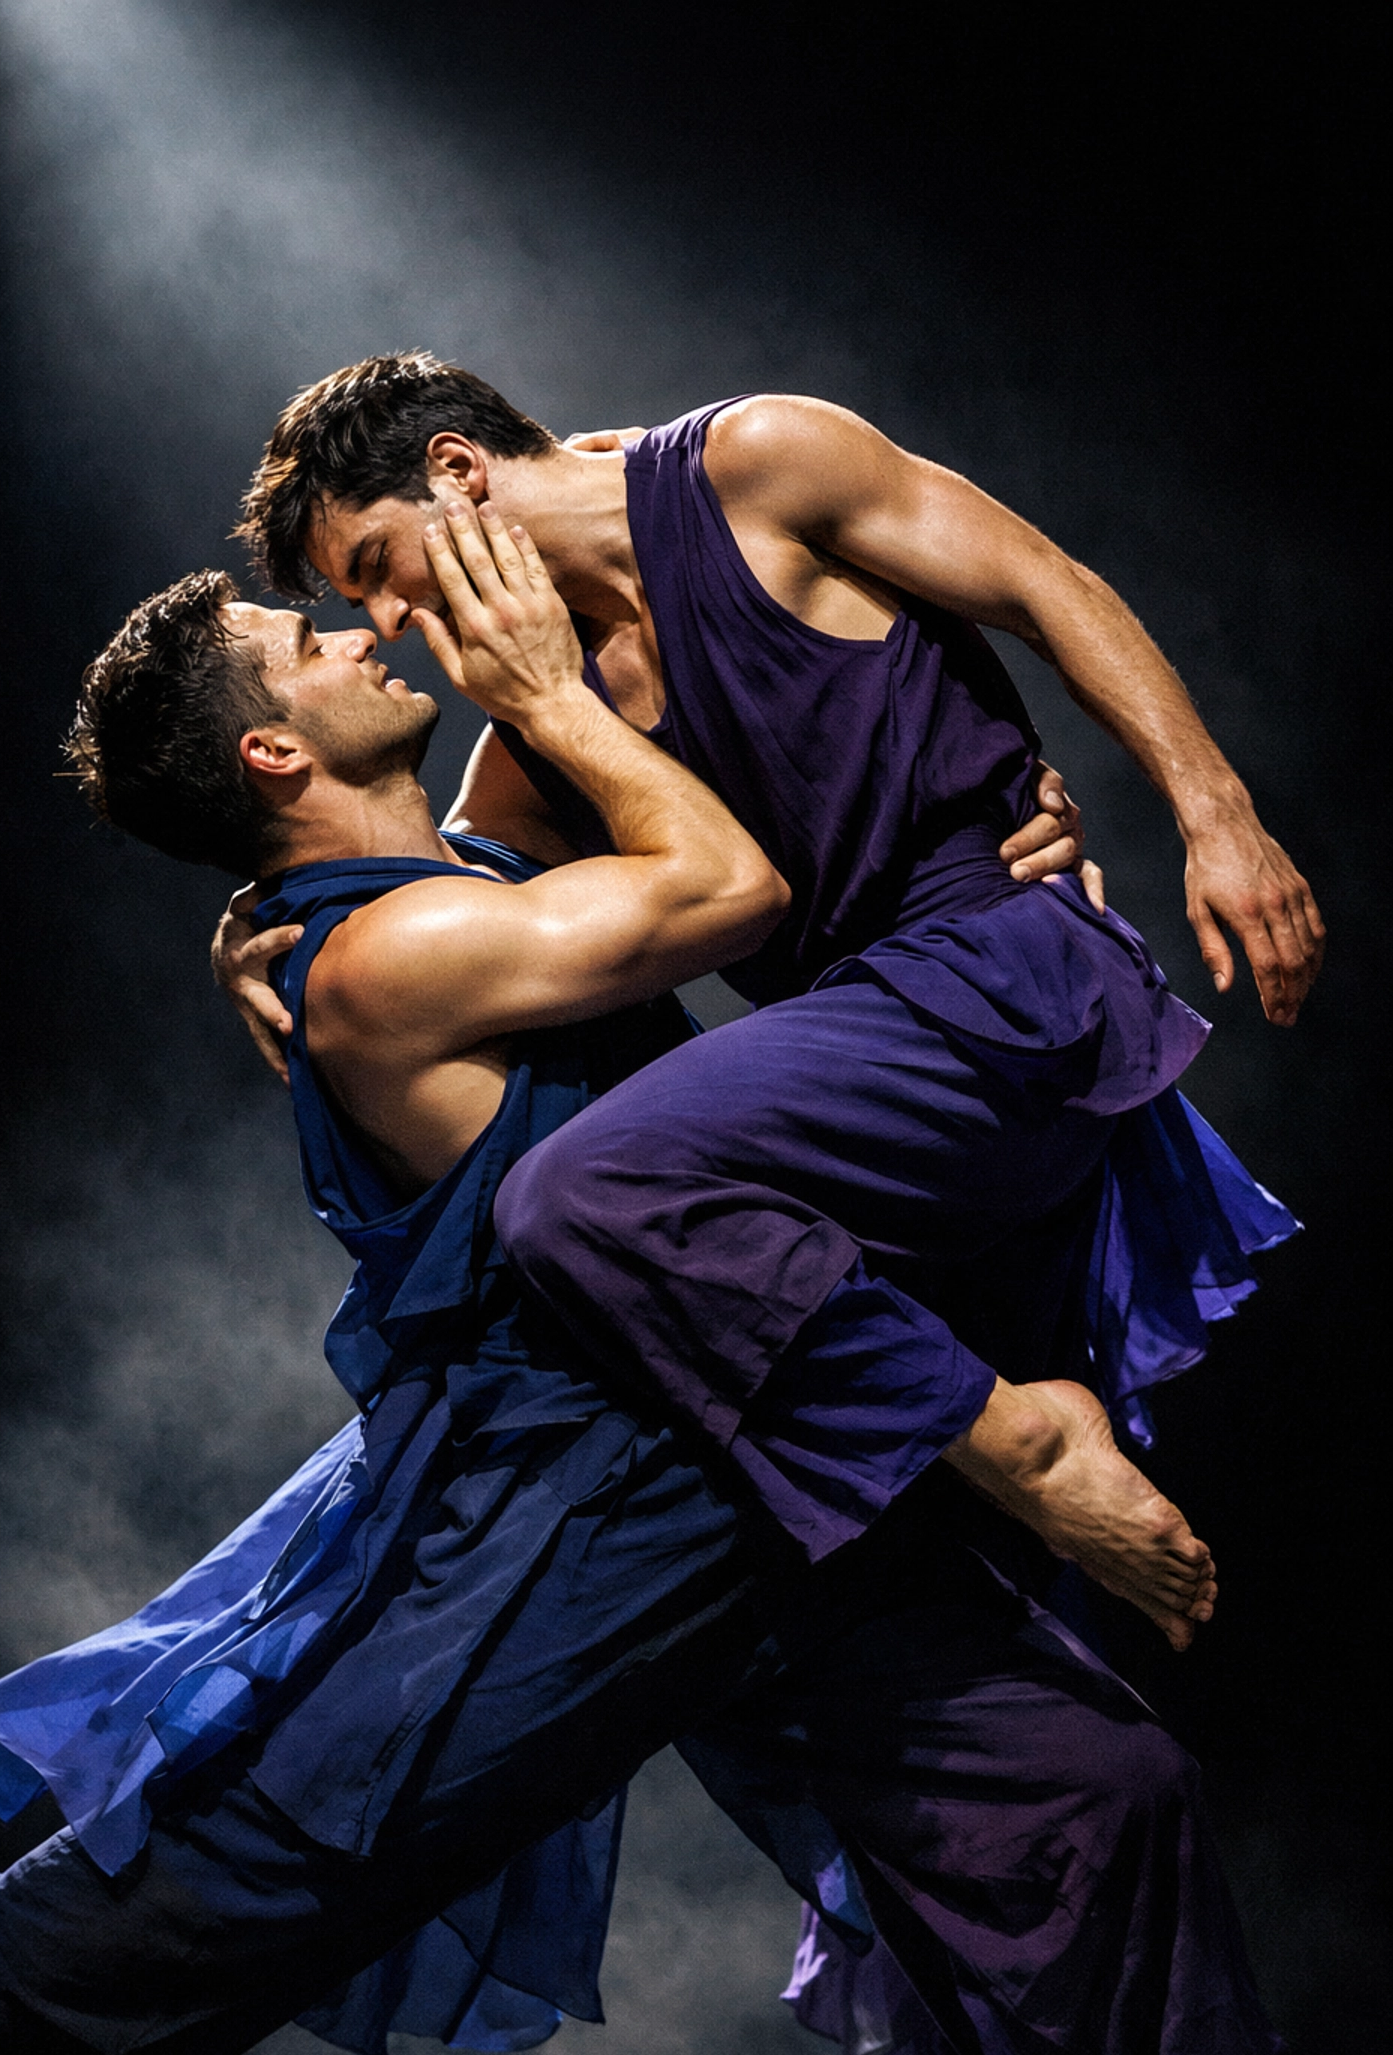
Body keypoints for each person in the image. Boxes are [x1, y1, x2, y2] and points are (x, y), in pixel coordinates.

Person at [0, 508, 1313, 2055]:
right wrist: (548, 694)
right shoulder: (390, 950)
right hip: (583, 1494)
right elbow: (730, 888)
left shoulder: (455, 890)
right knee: (312, 1825)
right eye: (306, 643)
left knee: (1072, 1766)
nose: (360, 632)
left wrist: (1004, 831)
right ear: (272, 749)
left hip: (757, 1415)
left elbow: (774, 823)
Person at [228, 355, 1316, 1635]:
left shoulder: (754, 463)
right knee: (954, 1585)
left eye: (376, 567)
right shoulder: (537, 706)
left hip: (1009, 981)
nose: (391, 618)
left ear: (457, 471)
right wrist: (271, 928)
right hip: (881, 1074)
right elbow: (430, 893)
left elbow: (1047, 586)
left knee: (582, 1193)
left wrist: (1218, 817)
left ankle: (1027, 1447)